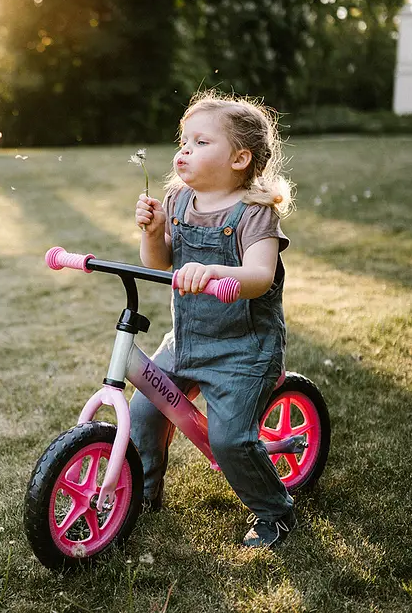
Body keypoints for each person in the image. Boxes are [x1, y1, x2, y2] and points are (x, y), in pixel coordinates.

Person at [132, 90, 296, 548]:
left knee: (229, 440)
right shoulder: (178, 200)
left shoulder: (254, 213)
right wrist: (152, 232)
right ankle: (142, 496)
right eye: (184, 141)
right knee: (144, 413)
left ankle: (274, 511)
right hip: (186, 342)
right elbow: (160, 262)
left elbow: (260, 276)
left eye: (201, 142)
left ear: (240, 158)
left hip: (242, 350)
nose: (184, 149)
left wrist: (214, 271)